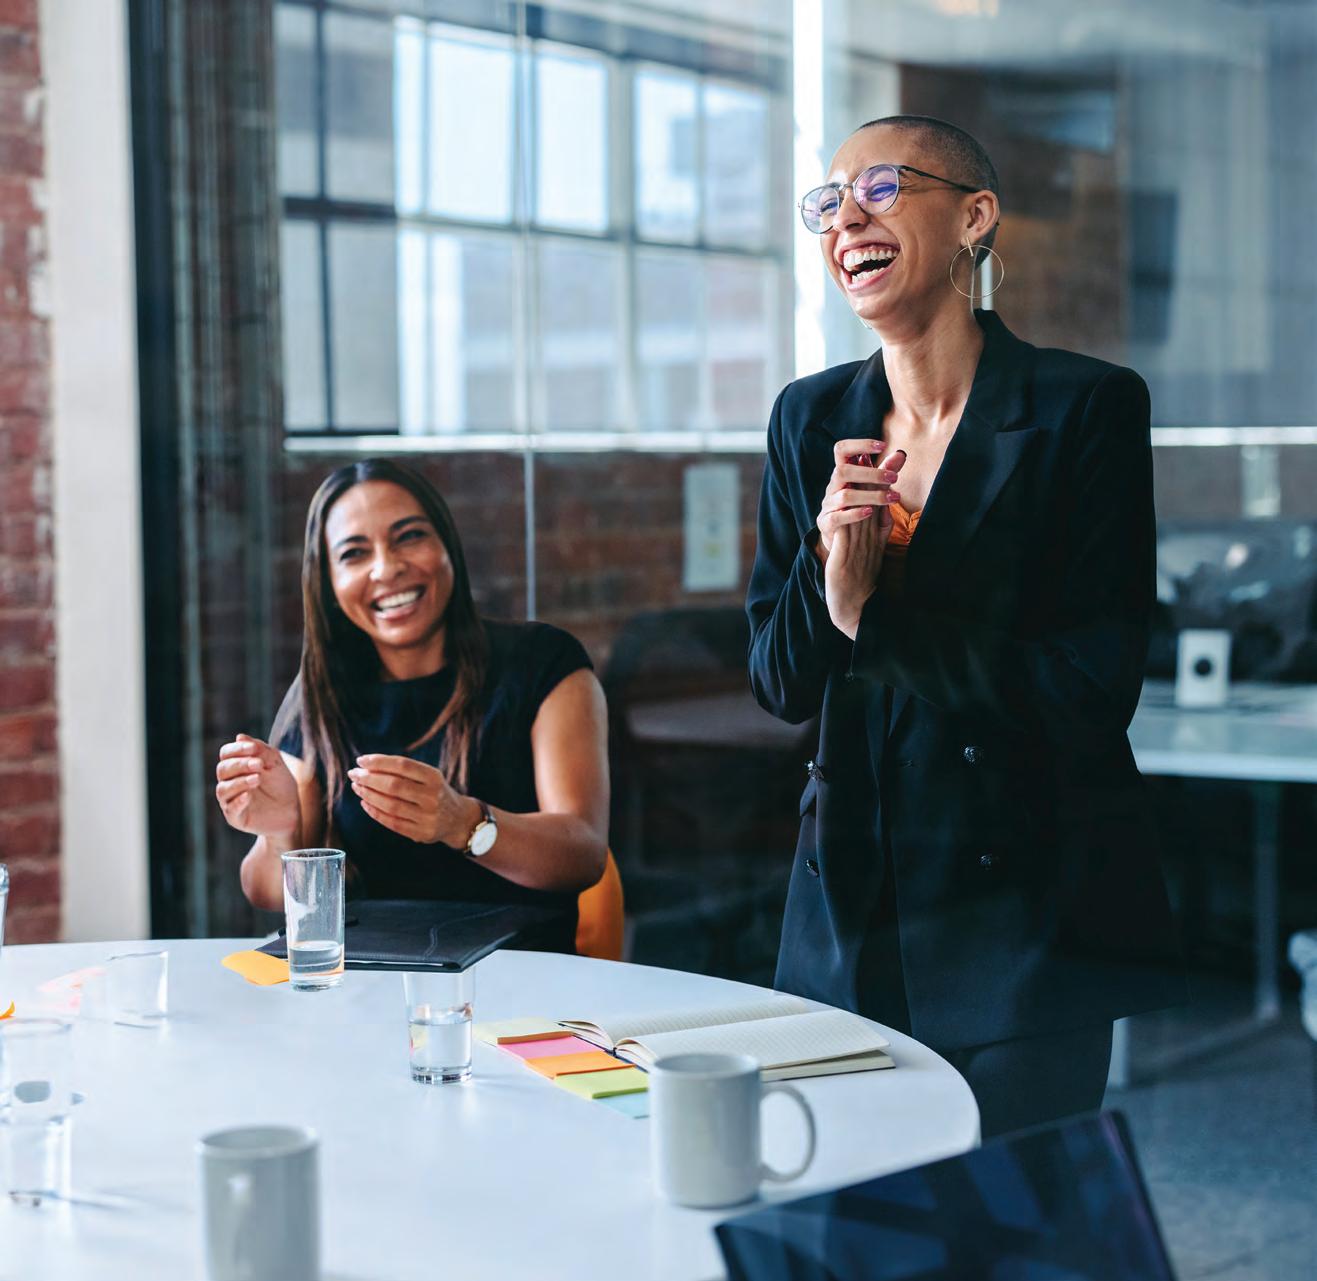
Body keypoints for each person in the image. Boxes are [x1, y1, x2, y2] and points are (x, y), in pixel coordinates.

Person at [747, 115, 1185, 1138]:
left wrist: (869, 619)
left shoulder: (1085, 407)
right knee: (860, 1200)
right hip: (848, 904)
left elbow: (1089, 692)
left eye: (882, 188)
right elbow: (777, 679)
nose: (847, 219)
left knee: (1012, 1204)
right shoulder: (807, 418)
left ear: (974, 218)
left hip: (1026, 912)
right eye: (829, 203)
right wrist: (827, 573)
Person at [215, 459, 608, 937]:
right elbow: (268, 893)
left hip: (516, 971)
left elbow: (583, 853)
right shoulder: (322, 692)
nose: (388, 568)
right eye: (354, 554)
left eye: (409, 536)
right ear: (329, 584)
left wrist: (461, 823)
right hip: (366, 972)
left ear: (447, 546)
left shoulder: (543, 661)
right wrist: (278, 836)